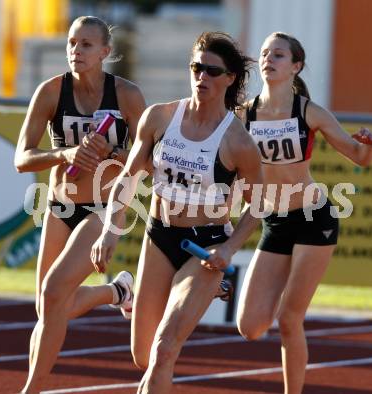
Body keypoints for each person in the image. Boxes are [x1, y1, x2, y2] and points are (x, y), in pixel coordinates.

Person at [91, 31, 263, 393]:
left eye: (212, 71)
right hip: (159, 236)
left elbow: (260, 203)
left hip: (205, 248)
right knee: (142, 355)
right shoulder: (159, 117)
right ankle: (132, 294)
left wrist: (229, 250)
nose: (202, 77)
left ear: (230, 78)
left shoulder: (238, 141)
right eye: (196, 68)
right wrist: (111, 228)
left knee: (164, 349)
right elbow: (128, 176)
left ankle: (210, 284)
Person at [236, 32, 372, 394]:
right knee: (250, 326)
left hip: (314, 217)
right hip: (274, 220)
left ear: (296, 66)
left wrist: (368, 146)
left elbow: (359, 158)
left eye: (279, 55)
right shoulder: (244, 114)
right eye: (265, 53)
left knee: (289, 319)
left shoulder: (309, 111)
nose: (269, 59)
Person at [14, 16, 146, 393]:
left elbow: (150, 158)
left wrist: (114, 153)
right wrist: (66, 153)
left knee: (55, 294)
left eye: (86, 44)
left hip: (105, 208)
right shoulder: (52, 92)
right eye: (72, 43)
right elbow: (22, 158)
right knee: (47, 308)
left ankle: (31, 389)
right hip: (60, 206)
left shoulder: (127, 95)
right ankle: (116, 292)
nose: (76, 51)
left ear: (105, 52)